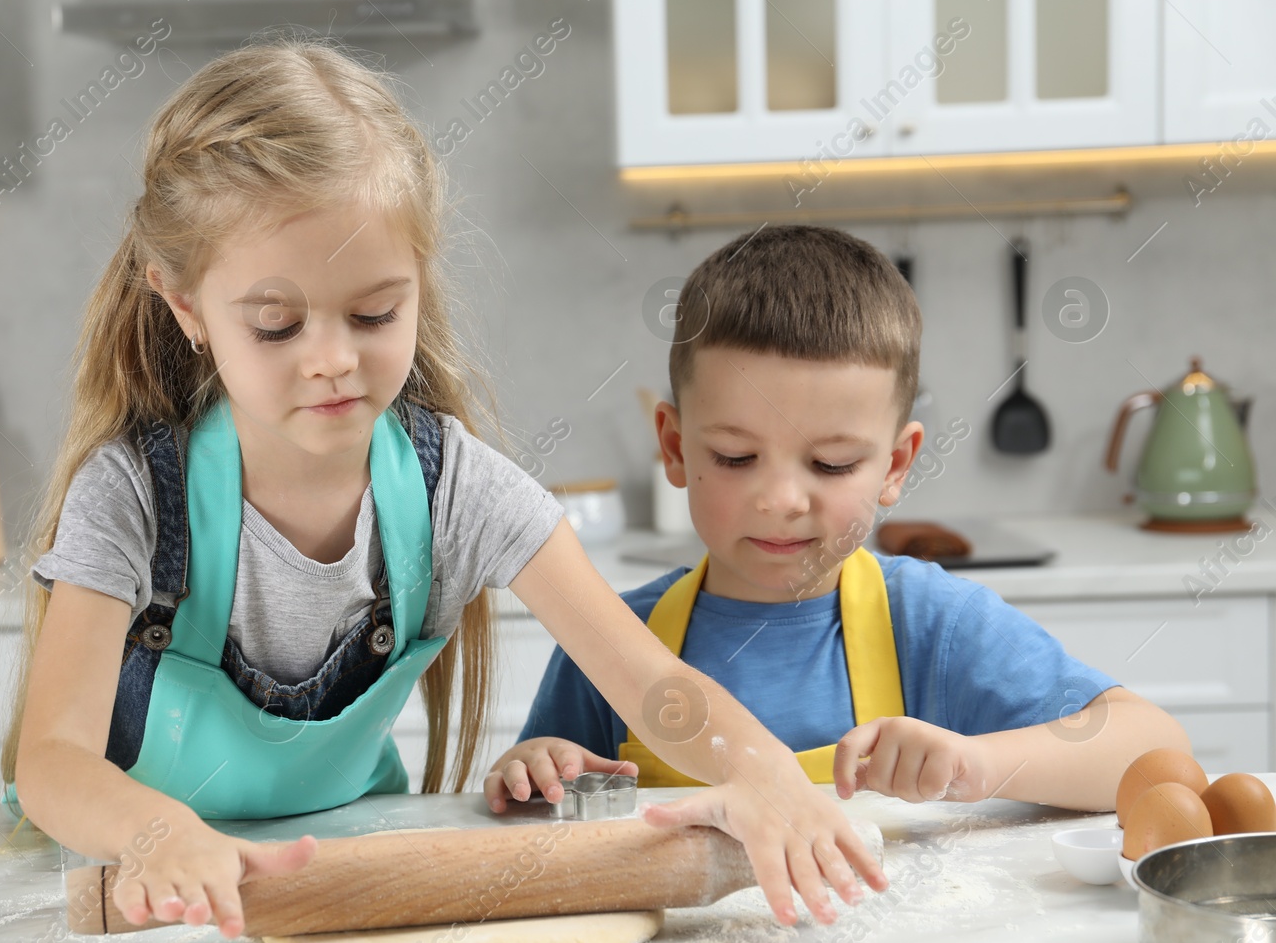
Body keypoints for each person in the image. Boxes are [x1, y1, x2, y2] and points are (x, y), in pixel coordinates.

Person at [4, 39, 886, 941]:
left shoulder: (453, 488)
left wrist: (764, 778)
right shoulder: (134, 496)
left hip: (351, 886)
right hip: (145, 905)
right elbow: (53, 759)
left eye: (375, 314)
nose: (333, 359)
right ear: (185, 305)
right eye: (276, 324)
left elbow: (651, 681)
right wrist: (161, 835)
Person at [503, 225, 1190, 812]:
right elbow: (540, 800)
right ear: (676, 448)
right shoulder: (613, 643)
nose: (781, 499)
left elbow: (1157, 747)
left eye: (830, 464)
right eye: (737, 456)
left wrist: (975, 762)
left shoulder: (932, 626)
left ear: (895, 465)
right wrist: (538, 767)